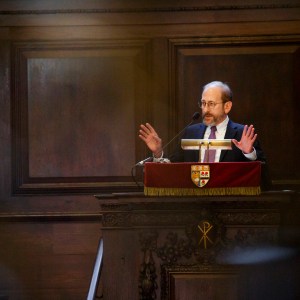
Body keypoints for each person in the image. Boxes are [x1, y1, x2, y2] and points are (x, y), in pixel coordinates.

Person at [139, 81, 266, 164]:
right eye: (203, 103)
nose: (205, 109)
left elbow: (262, 169)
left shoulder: (243, 134)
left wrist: (249, 153)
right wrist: (158, 152)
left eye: (211, 104)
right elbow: (174, 166)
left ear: (227, 106)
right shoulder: (191, 132)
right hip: (195, 201)